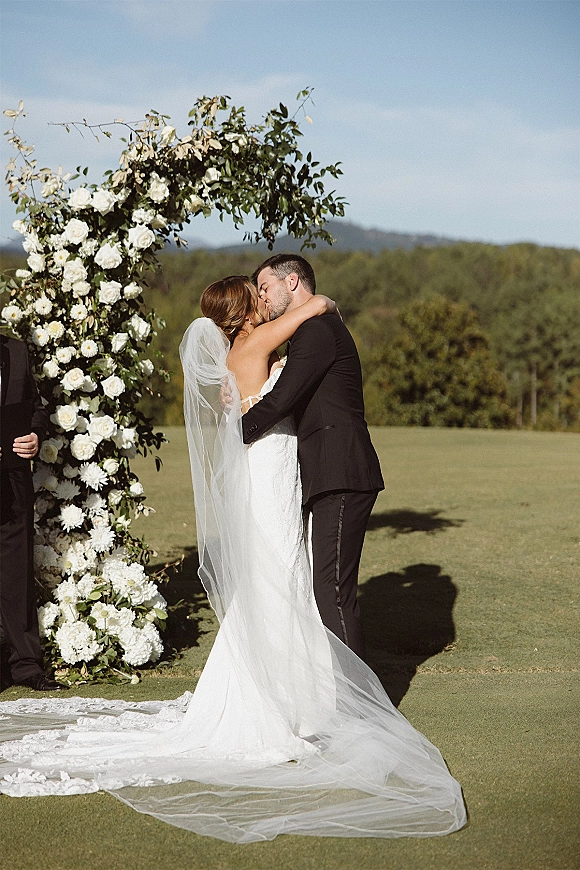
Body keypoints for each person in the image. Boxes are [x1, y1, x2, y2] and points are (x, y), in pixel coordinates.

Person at [0, 278, 466, 842]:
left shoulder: (245, 350)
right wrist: (316, 301)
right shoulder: (257, 343)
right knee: (279, 574)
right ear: (247, 310)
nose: (265, 297)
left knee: (279, 577)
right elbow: (304, 316)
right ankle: (289, 701)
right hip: (270, 467)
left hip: (269, 465)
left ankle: (296, 694)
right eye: (257, 293)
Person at [242, 254, 384, 660]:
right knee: (329, 589)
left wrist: (236, 433)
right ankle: (347, 699)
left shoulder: (316, 331)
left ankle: (358, 709)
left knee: (333, 593)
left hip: (341, 472)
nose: (262, 299)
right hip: (329, 473)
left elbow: (282, 398)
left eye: (265, 288)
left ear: (292, 282)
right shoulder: (314, 327)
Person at [0, 333, 64, 692]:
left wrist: (36, 436)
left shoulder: (16, 350)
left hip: (13, 484)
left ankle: (25, 667)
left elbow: (36, 409)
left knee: (16, 576)